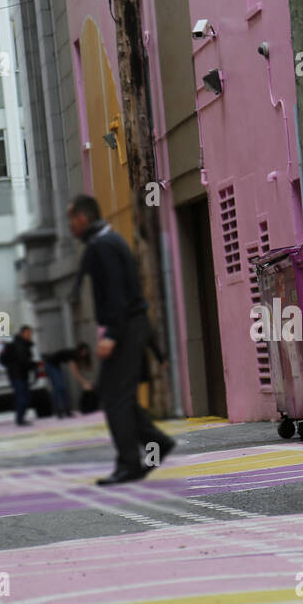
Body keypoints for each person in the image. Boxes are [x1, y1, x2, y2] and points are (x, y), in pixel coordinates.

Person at [67, 194, 174, 484]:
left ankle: (129, 463)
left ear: (81, 218)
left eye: (70, 219)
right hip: (128, 325)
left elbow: (118, 293)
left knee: (115, 398)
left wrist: (111, 335)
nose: (69, 226)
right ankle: (155, 444)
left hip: (124, 327)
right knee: (117, 395)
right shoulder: (104, 242)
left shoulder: (104, 245)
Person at [0, 325, 36, 426]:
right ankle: (20, 419)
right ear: (22, 333)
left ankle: (21, 418)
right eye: (28, 333)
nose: (29, 335)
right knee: (22, 397)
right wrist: (12, 367)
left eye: (30, 333)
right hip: (17, 375)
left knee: (26, 397)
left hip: (23, 375)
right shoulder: (15, 345)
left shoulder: (26, 345)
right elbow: (21, 360)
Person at [42, 346, 75, 418]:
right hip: (51, 366)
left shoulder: (69, 353)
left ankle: (65, 410)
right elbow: (74, 369)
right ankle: (60, 411)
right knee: (59, 388)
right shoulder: (72, 355)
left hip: (54, 366)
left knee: (61, 388)